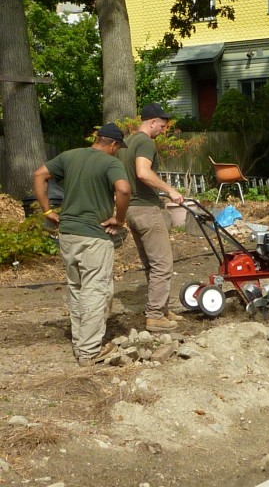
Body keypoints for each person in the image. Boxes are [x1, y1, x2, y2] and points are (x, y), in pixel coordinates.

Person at [33, 123, 131, 367]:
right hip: (94, 235)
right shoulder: (110, 163)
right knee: (96, 290)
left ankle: (80, 343)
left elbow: (38, 175)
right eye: (117, 148)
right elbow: (124, 189)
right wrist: (119, 219)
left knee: (77, 288)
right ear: (113, 144)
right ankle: (89, 351)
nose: (117, 152)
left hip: (68, 233)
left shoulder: (69, 156)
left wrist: (47, 211)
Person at [118, 103, 185, 332]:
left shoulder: (125, 143)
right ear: (152, 121)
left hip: (130, 210)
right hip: (146, 209)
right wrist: (170, 190)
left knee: (151, 264)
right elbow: (143, 172)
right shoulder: (145, 142)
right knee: (163, 265)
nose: (162, 130)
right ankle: (156, 315)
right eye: (162, 126)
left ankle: (162, 309)